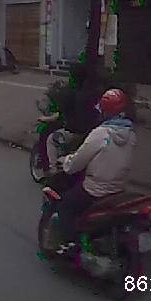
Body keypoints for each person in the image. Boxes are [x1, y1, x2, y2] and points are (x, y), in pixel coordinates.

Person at [54, 88, 136, 253]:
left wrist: (66, 162)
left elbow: (78, 161)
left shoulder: (101, 134)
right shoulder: (131, 134)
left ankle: (70, 244)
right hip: (118, 189)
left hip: (96, 190)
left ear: (104, 111)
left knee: (65, 205)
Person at [43, 61, 108, 176]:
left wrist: (46, 118)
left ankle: (53, 170)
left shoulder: (70, 94)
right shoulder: (94, 93)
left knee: (51, 140)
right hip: (93, 133)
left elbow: (60, 114)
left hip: (74, 133)